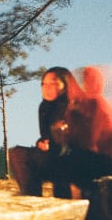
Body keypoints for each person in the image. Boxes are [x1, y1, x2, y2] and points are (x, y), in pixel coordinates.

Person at [47, 65, 112, 198]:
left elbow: (90, 143)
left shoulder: (97, 104)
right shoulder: (74, 108)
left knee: (63, 165)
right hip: (101, 159)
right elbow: (71, 143)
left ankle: (71, 203)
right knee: (60, 163)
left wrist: (68, 137)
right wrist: (61, 135)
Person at [8, 67, 72, 197]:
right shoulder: (44, 107)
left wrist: (62, 135)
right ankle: (31, 197)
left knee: (62, 160)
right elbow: (45, 135)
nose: (46, 88)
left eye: (53, 83)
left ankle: (64, 199)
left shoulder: (73, 106)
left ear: (65, 85)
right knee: (17, 153)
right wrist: (42, 142)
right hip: (51, 157)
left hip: (71, 161)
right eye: (44, 84)